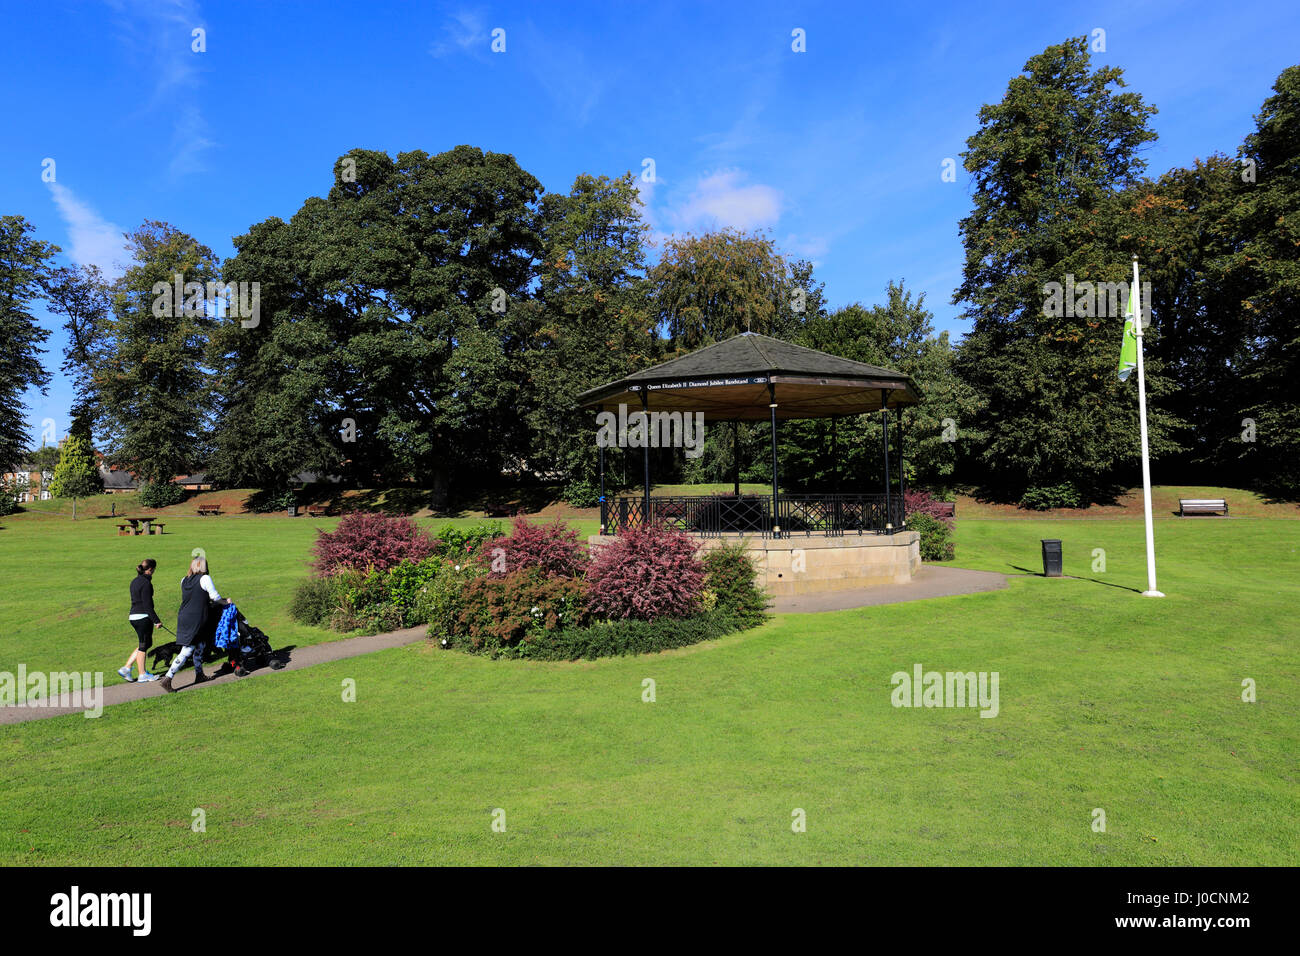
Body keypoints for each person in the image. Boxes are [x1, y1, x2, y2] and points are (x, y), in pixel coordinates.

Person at [160, 555, 231, 693]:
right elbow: (214, 597)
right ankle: (167, 678)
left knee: (201, 645)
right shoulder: (205, 578)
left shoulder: (184, 580)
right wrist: (225, 601)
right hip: (196, 618)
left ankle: (199, 675)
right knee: (187, 650)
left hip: (184, 616)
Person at [118, 559, 162, 683]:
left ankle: (126, 668)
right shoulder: (146, 583)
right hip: (143, 617)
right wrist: (156, 620)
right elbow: (147, 605)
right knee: (143, 645)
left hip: (133, 616)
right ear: (150, 569)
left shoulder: (134, 581)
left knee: (146, 643)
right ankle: (142, 674)